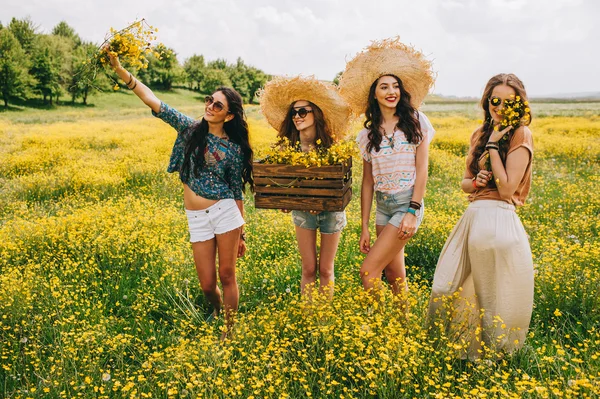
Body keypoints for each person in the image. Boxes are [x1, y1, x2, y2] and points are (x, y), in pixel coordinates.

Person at [106, 50, 253, 338]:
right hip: (197, 217)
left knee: (227, 275)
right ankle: (216, 308)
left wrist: (242, 234)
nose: (210, 106)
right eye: (209, 100)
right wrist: (120, 69)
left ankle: (229, 330)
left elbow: (237, 191)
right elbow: (152, 100)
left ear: (230, 114)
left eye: (218, 105)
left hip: (226, 214)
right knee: (207, 284)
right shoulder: (189, 128)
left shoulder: (234, 149)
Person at [427, 73, 534, 359]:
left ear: (519, 105)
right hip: (473, 216)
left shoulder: (521, 134)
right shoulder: (478, 133)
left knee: (493, 298)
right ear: (487, 102)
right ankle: (440, 350)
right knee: (444, 286)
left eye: (508, 102)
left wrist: (493, 148)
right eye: (494, 100)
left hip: (499, 218)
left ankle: (492, 358)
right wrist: (477, 181)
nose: (500, 107)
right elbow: (465, 182)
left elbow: (508, 186)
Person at [338, 38, 436, 296]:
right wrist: (365, 226)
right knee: (394, 274)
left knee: (369, 270)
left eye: (395, 86)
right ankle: (401, 325)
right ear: (374, 94)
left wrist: (413, 211)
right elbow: (368, 182)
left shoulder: (416, 121)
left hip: (407, 202)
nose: (391, 91)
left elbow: (422, 169)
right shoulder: (367, 135)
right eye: (384, 87)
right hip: (383, 206)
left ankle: (380, 324)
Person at [259, 76, 351, 298]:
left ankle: (323, 320)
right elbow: (280, 182)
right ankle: (308, 319)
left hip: (331, 213)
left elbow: (341, 181)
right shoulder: (286, 149)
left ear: (316, 114)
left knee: (326, 269)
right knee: (309, 269)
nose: (297, 117)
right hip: (302, 214)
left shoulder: (332, 148)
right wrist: (286, 199)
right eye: (294, 113)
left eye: (303, 111)